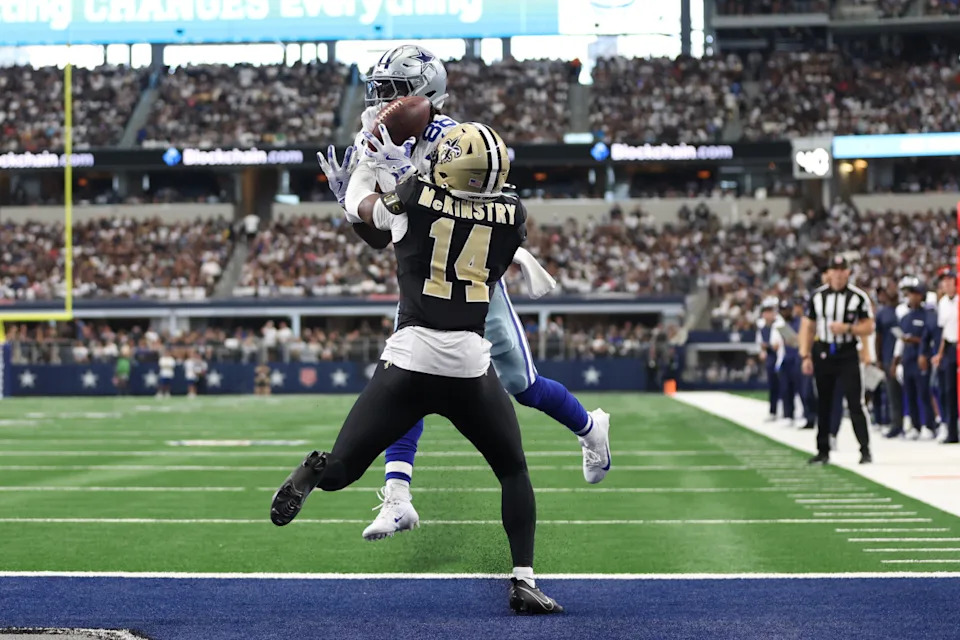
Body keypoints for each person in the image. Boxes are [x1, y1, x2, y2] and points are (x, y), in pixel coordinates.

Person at [318, 44, 611, 541]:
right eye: (380, 89)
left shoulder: (456, 141)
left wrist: (405, 184)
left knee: (523, 386)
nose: (381, 98)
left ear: (422, 94)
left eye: (393, 91)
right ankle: (398, 496)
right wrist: (361, 204)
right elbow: (373, 226)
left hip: (472, 279)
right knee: (407, 380)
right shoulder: (374, 138)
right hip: (422, 277)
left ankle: (589, 427)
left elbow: (487, 211)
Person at [271, 123, 563, 614]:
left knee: (344, 469)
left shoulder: (414, 196)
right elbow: (476, 215)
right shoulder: (513, 214)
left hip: (409, 357)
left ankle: (312, 471)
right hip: (470, 364)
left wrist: (356, 193)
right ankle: (524, 580)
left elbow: (372, 220)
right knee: (513, 470)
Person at [799, 256, 874, 465]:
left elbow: (868, 327)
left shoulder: (858, 297)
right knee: (824, 402)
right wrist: (805, 354)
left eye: (843, 270)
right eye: (835, 269)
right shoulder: (817, 297)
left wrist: (848, 328)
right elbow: (808, 325)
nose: (839, 274)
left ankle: (865, 449)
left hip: (847, 351)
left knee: (855, 402)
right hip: (823, 351)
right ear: (829, 273)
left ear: (848, 273)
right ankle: (823, 450)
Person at [892, 278, 938, 440]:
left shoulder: (928, 315)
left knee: (924, 393)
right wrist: (896, 361)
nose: (910, 297)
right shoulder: (905, 316)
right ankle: (915, 426)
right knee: (910, 393)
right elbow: (901, 340)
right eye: (909, 294)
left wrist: (913, 341)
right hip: (908, 359)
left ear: (921, 295)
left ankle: (929, 425)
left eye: (914, 294)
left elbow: (930, 338)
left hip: (922, 358)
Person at [932, 270, 959, 444]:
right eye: (944, 281)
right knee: (948, 390)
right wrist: (940, 354)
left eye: (950, 280)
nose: (947, 284)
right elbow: (944, 331)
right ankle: (951, 431)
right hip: (950, 347)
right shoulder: (942, 302)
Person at [770, 299, 804, 427]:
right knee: (785, 388)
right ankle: (788, 414)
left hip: (797, 358)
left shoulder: (799, 322)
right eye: (783, 310)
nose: (785, 312)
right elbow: (774, 344)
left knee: (800, 388)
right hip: (784, 359)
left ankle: (804, 413)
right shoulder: (778, 325)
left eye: (787, 310)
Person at [757, 298, 781, 421]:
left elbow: (777, 345)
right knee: (773, 386)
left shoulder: (779, 324)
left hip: (780, 357)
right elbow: (761, 344)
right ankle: (773, 411)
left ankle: (786, 412)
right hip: (770, 358)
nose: (767, 315)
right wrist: (763, 350)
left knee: (784, 385)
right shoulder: (762, 327)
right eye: (765, 312)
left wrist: (768, 346)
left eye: (769, 312)